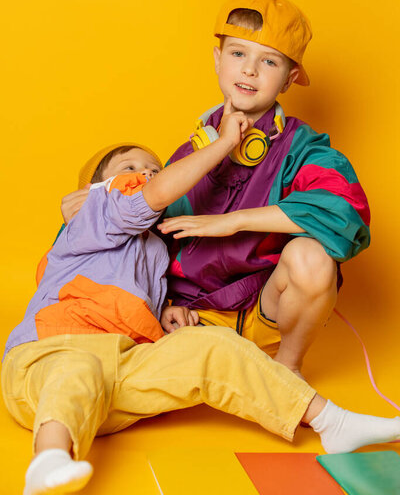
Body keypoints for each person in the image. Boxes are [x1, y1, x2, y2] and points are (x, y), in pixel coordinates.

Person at [4, 114, 399, 495]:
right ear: (93, 190)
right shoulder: (94, 214)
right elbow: (151, 196)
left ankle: (333, 422)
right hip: (45, 362)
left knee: (213, 346)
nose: (148, 173)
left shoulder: (155, 250)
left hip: (116, 379)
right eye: (130, 167)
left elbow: (122, 296)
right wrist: (226, 142)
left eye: (155, 168)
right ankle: (50, 458)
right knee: (78, 366)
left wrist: (162, 312)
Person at [154, 0, 371, 378]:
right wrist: (164, 304)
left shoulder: (303, 148)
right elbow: (140, 226)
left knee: (312, 256)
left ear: (288, 80)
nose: (250, 70)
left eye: (268, 61)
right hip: (190, 320)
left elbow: (346, 212)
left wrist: (235, 221)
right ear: (218, 60)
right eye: (238, 54)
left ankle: (287, 371)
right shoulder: (188, 154)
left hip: (265, 314)